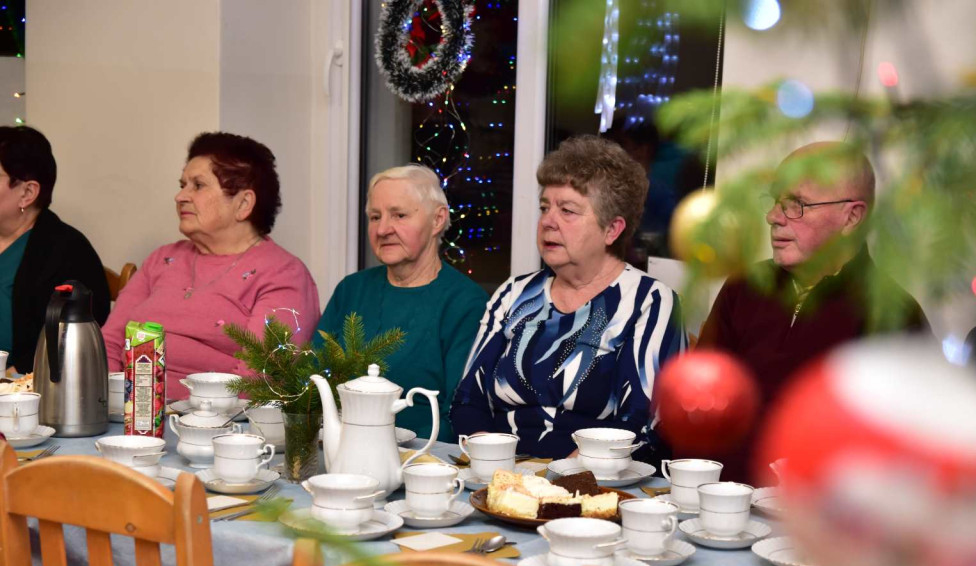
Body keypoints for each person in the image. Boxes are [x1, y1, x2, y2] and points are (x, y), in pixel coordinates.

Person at [697, 141, 929, 481]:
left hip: (821, 521)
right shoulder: (745, 288)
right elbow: (698, 403)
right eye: (776, 201)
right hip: (721, 506)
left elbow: (901, 455)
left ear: (852, 217)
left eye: (797, 205)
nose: (773, 217)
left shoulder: (894, 315)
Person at [450, 136, 683, 461]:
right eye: (545, 207)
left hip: (597, 486)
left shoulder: (649, 302)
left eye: (568, 211)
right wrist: (489, 458)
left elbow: (644, 425)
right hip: (501, 477)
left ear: (612, 230)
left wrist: (565, 475)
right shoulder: (514, 294)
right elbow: (467, 401)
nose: (548, 221)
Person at [103, 132, 320, 401]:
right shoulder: (163, 259)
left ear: (243, 204)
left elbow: (258, 382)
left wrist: (182, 417)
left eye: (198, 185)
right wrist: (113, 405)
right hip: (132, 416)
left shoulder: (283, 274)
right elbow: (110, 344)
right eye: (183, 184)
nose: (180, 196)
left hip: (215, 428)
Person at [315, 165, 487, 442]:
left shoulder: (465, 302)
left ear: (437, 220)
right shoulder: (351, 289)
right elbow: (311, 377)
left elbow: (459, 412)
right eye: (375, 217)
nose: (383, 229)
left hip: (422, 457)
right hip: (337, 446)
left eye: (399, 215)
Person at [0, 126, 109, 373]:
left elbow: (70, 342)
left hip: (23, 393)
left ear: (27, 192)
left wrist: (15, 375)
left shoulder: (69, 252)